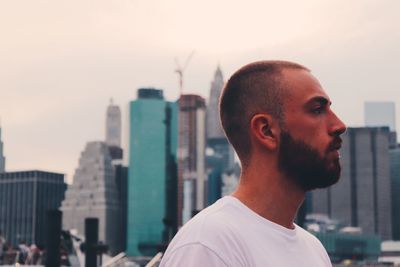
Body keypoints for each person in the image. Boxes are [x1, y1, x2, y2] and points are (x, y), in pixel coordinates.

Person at [160, 60, 346, 266]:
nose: (339, 125)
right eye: (317, 109)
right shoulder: (208, 245)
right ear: (266, 130)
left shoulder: (314, 250)